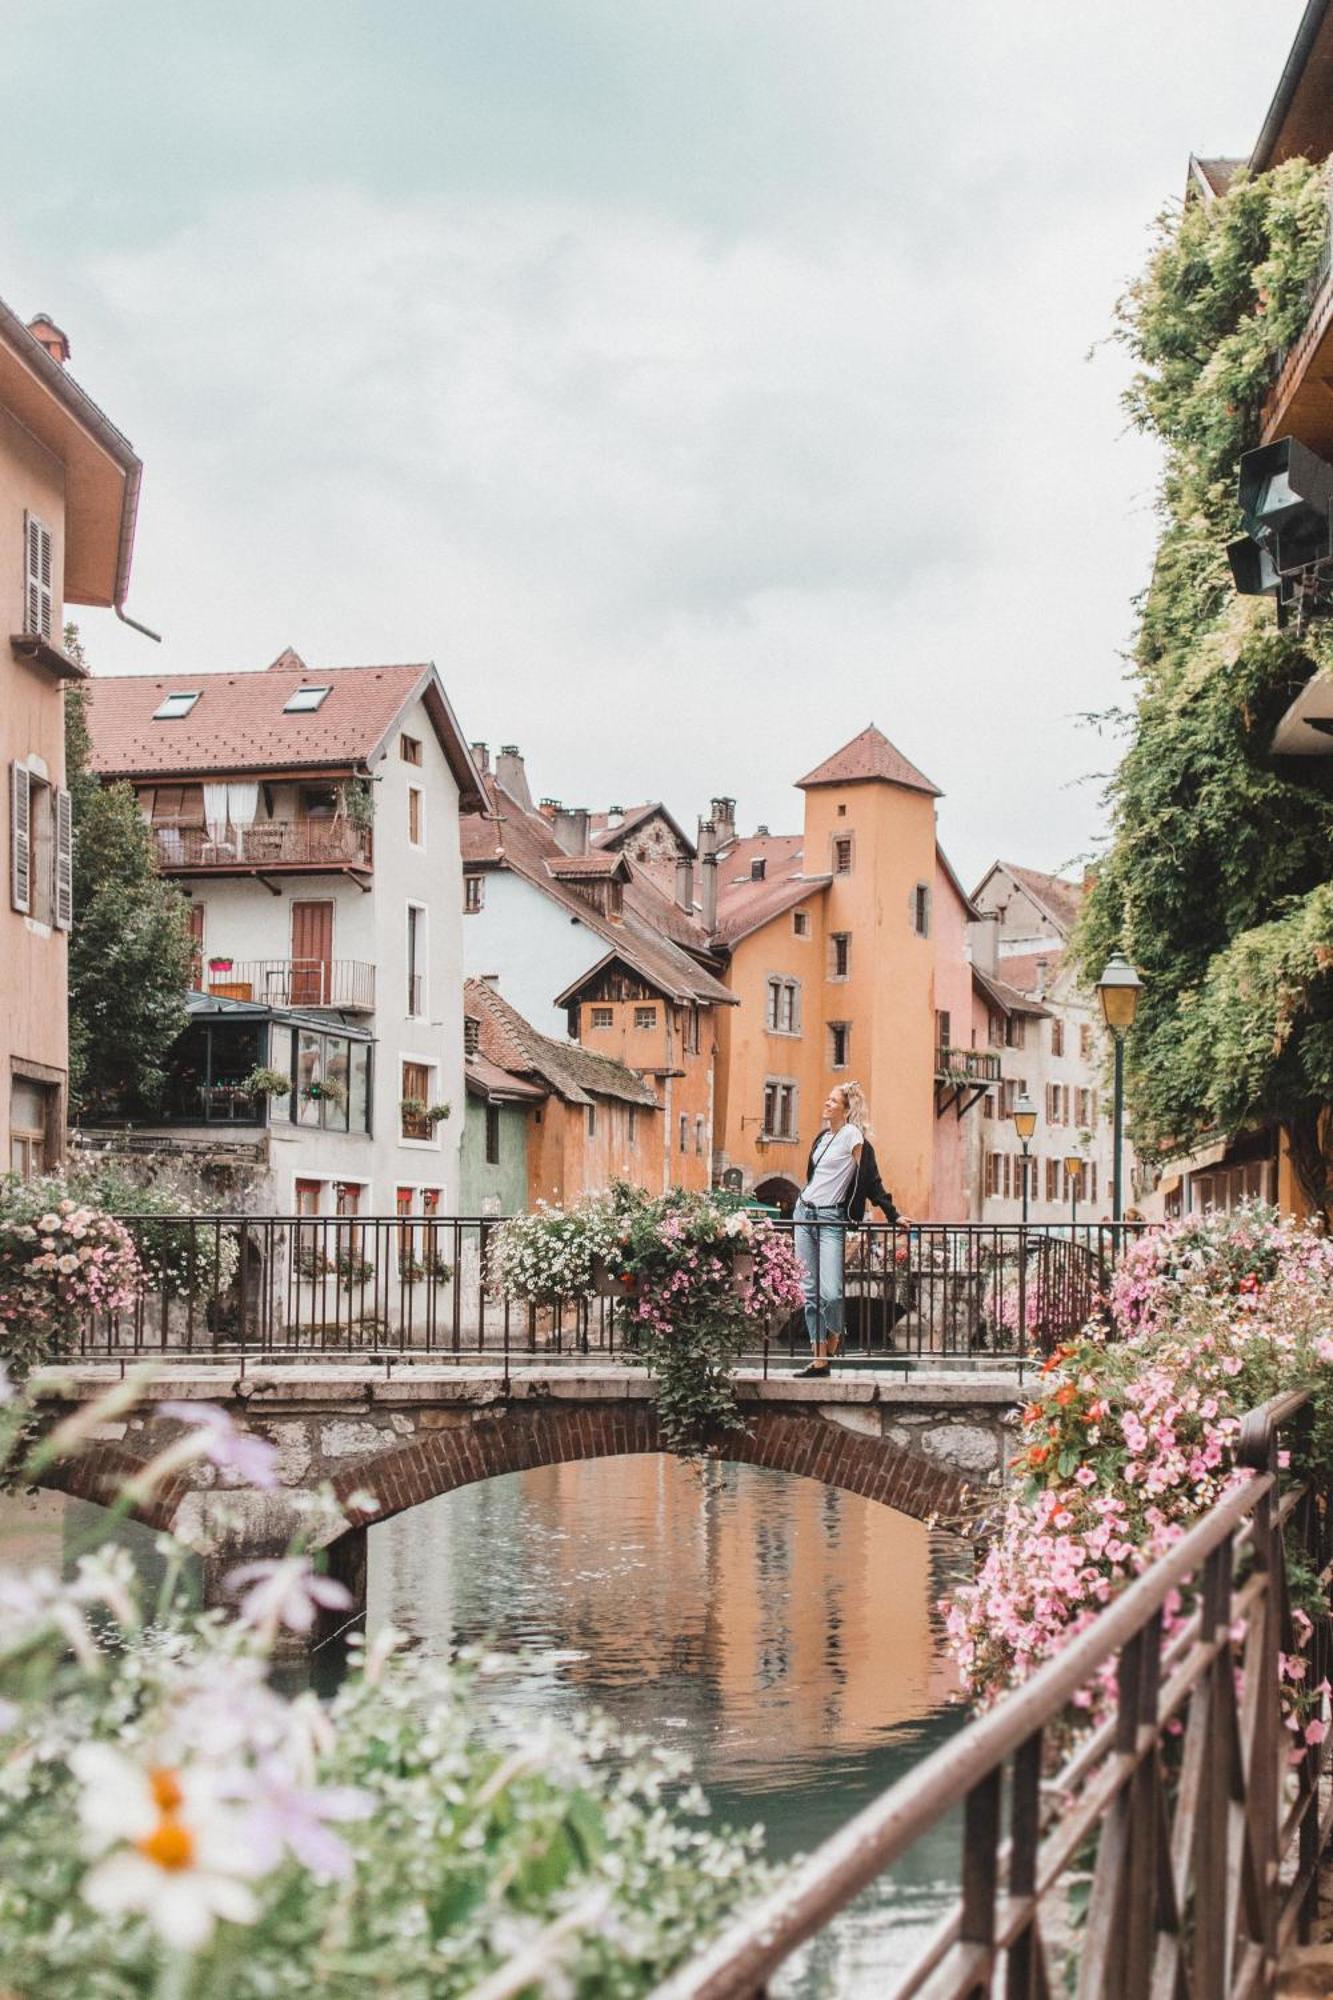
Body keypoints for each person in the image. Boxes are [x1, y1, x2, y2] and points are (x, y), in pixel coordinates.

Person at [792, 1081, 897, 1377]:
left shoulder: (852, 1135)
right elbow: (814, 1179)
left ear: (847, 1109)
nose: (826, 1104)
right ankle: (819, 1359)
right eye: (826, 1099)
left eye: (832, 1100)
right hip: (804, 1214)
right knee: (809, 1292)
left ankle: (836, 1335)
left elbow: (870, 1177)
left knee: (832, 1293)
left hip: (830, 1220)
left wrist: (892, 1213)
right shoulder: (822, 1138)